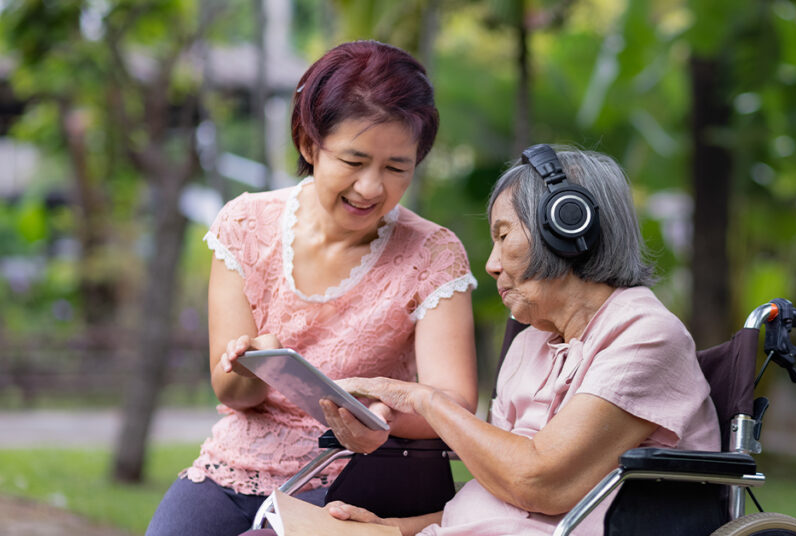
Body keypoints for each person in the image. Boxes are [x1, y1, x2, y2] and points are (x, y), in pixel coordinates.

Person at [244, 146, 720, 536]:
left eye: (503, 235)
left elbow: (536, 485)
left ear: (568, 226)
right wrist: (392, 530)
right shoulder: (533, 341)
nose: (490, 264)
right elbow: (504, 502)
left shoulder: (644, 335)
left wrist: (422, 398)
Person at [146, 40, 478, 536]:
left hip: (365, 471)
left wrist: (385, 417)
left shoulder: (434, 254)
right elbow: (232, 393)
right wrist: (255, 365)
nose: (370, 187)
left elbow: (454, 403)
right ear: (309, 144)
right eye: (353, 160)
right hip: (239, 462)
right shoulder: (245, 224)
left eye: (395, 168)